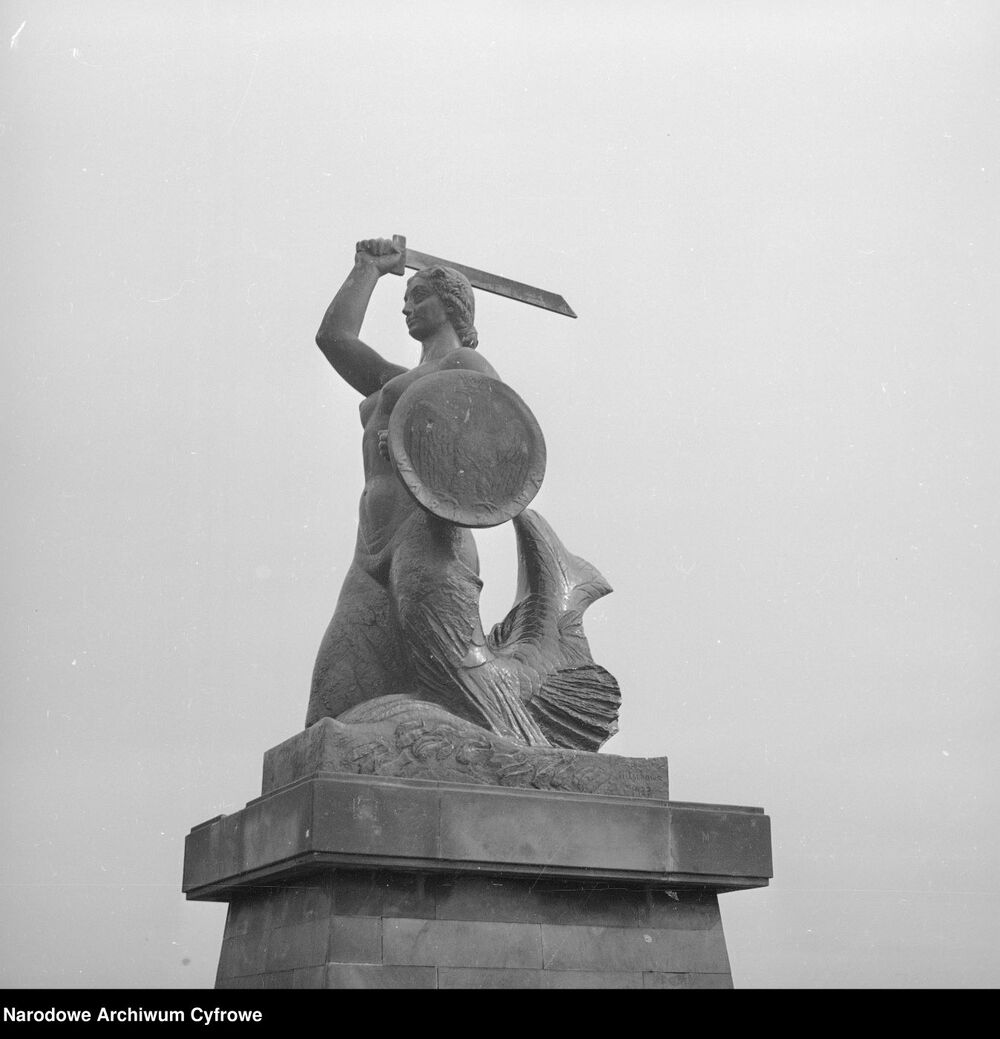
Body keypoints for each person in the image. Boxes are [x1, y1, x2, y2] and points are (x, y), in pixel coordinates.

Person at [306, 237, 620, 752]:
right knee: (331, 709)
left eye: (418, 296)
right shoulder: (397, 378)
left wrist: (432, 431)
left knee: (468, 691)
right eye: (405, 297)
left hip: (427, 544)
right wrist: (367, 270)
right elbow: (334, 339)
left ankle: (539, 746)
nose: (406, 305)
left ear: (451, 305)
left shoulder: (470, 370)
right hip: (370, 551)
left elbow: (492, 452)